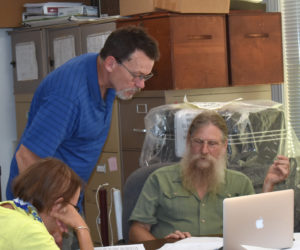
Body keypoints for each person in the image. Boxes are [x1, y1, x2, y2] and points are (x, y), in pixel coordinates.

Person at [6, 25, 159, 204]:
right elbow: (26, 157)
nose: (141, 85)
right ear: (110, 63)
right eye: (137, 75)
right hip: (39, 202)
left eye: (145, 77)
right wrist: (56, 212)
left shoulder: (106, 79)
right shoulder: (67, 96)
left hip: (66, 196)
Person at [129, 110, 290, 242]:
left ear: (224, 145)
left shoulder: (240, 183)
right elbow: (137, 230)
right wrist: (165, 246)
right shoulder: (160, 179)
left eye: (212, 144)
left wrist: (268, 185)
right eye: (198, 141)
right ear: (188, 142)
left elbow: (257, 229)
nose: (204, 150)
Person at [0, 157, 93, 250]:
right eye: (73, 208)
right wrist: (81, 226)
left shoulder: (6, 209)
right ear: (58, 205)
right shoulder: (33, 233)